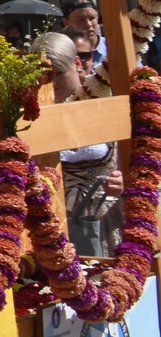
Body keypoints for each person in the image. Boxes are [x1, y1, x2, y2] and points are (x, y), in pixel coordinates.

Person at [36, 31, 123, 255]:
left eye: (58, 73)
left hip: (110, 217)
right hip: (55, 225)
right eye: (43, 77)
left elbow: (142, 159)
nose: (52, 83)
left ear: (76, 63)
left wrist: (127, 181)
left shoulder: (107, 101)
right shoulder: (30, 115)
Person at [62, 0, 108, 67]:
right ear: (66, 23)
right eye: (81, 20)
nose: (88, 24)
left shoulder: (113, 47)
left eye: (92, 18)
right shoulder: (62, 53)